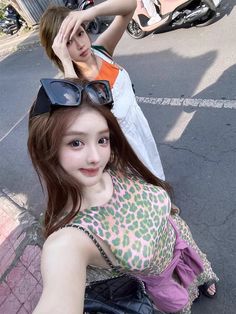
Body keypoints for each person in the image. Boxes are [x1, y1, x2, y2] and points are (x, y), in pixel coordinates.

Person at [29, 78, 218, 314]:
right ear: (46, 148)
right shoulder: (71, 238)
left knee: (203, 274)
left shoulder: (114, 167)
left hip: (183, 243)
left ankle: (204, 278)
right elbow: (58, 296)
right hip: (166, 286)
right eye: (76, 143)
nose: (96, 156)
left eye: (102, 139)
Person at [39, 0, 165, 180]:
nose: (80, 44)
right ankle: (161, 206)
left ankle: (164, 198)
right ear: (58, 51)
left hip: (138, 126)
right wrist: (66, 63)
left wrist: (89, 13)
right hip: (120, 148)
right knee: (141, 186)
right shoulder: (72, 85)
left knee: (153, 168)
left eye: (80, 33)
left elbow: (129, 7)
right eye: (68, 43)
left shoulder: (101, 50)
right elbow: (77, 123)